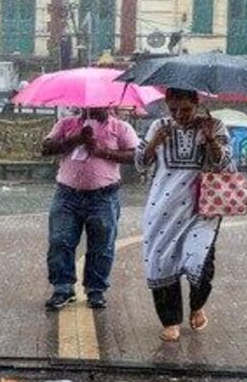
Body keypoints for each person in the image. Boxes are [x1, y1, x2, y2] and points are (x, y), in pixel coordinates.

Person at [135, 88, 234, 342]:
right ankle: (170, 320)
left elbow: (226, 164)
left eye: (186, 109)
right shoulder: (159, 125)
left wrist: (211, 140)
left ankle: (197, 304)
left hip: (202, 208)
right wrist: (156, 141)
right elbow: (140, 162)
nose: (180, 115)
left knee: (200, 261)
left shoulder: (215, 125)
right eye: (174, 109)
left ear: (197, 104)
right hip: (163, 207)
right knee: (161, 260)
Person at [42, 107, 139, 310]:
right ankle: (63, 288)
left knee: (102, 245)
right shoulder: (67, 124)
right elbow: (46, 147)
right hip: (67, 195)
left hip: (103, 196)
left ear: (109, 103)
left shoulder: (120, 127)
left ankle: (96, 290)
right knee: (60, 240)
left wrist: (103, 151)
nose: (93, 106)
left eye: (99, 102)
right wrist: (76, 139)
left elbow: (134, 156)